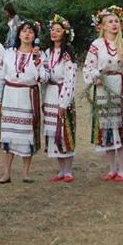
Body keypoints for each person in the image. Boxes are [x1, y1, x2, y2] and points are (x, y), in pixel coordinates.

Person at [83, 5, 123, 182]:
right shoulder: (96, 45)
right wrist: (94, 78)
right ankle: (111, 168)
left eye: (116, 21)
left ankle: (122, 169)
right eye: (110, 22)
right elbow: (88, 67)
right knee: (106, 127)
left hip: (121, 87)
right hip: (103, 88)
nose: (114, 24)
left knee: (120, 127)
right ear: (103, 26)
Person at [0, 19, 46, 184]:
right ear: (19, 34)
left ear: (35, 36)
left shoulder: (40, 55)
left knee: (26, 134)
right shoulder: (9, 53)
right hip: (10, 97)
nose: (27, 34)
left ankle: (26, 173)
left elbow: (44, 77)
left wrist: (38, 63)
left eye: (31, 32)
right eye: (24, 31)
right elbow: (1, 77)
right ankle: (6, 173)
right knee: (9, 134)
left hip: (27, 97)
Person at [42, 15, 78, 183]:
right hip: (50, 92)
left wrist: (64, 102)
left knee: (65, 131)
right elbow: (44, 74)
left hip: (63, 93)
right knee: (53, 132)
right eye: (52, 30)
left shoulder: (67, 54)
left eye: (58, 30)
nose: (54, 33)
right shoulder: (47, 53)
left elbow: (70, 79)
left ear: (65, 33)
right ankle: (61, 170)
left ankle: (69, 170)